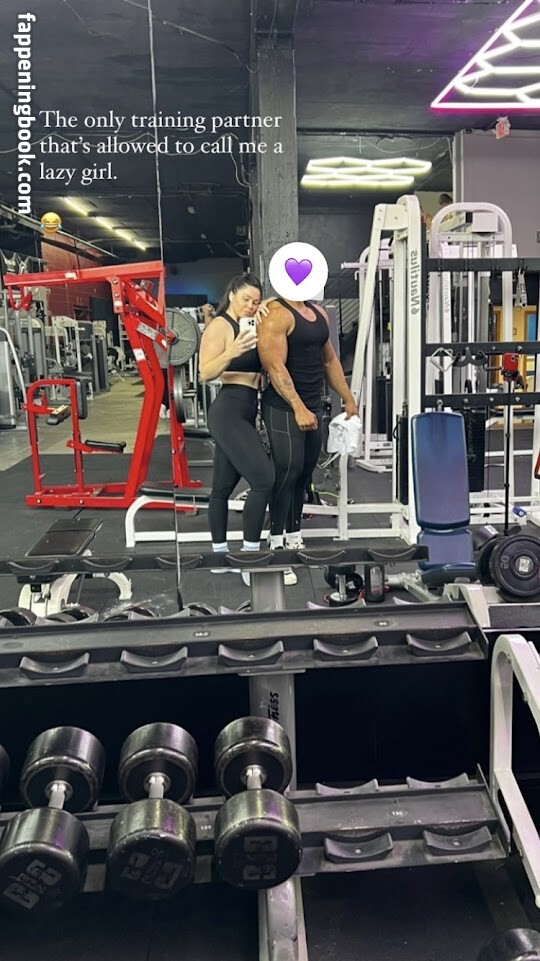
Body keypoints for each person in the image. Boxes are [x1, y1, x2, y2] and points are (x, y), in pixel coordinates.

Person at [257, 297, 359, 572]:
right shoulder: (276, 314)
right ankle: (275, 543)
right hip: (283, 406)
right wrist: (298, 407)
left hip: (312, 404)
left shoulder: (318, 313)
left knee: (304, 474)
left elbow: (330, 360)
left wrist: (348, 397)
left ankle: (294, 537)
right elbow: (274, 366)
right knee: (287, 470)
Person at [199, 273, 275, 581]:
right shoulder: (220, 325)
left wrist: (268, 304)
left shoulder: (252, 321)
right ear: (231, 294)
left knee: (222, 488)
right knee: (264, 480)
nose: (250, 305)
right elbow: (205, 372)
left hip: (247, 408)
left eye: (255, 301)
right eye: (245, 299)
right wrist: (231, 352)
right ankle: (249, 556)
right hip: (228, 410)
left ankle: (219, 556)